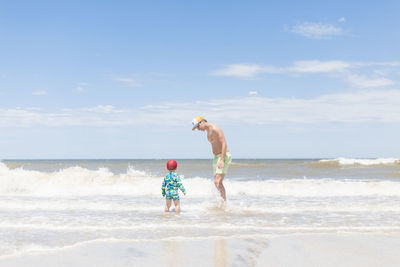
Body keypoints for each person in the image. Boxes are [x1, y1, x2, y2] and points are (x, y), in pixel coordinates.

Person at [192, 116, 232, 201]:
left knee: (217, 182)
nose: (198, 129)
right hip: (216, 157)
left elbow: (224, 143)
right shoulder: (208, 132)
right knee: (217, 182)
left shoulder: (215, 128)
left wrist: (222, 159)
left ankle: (224, 203)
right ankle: (222, 202)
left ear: (202, 122)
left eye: (198, 127)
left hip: (223, 156)